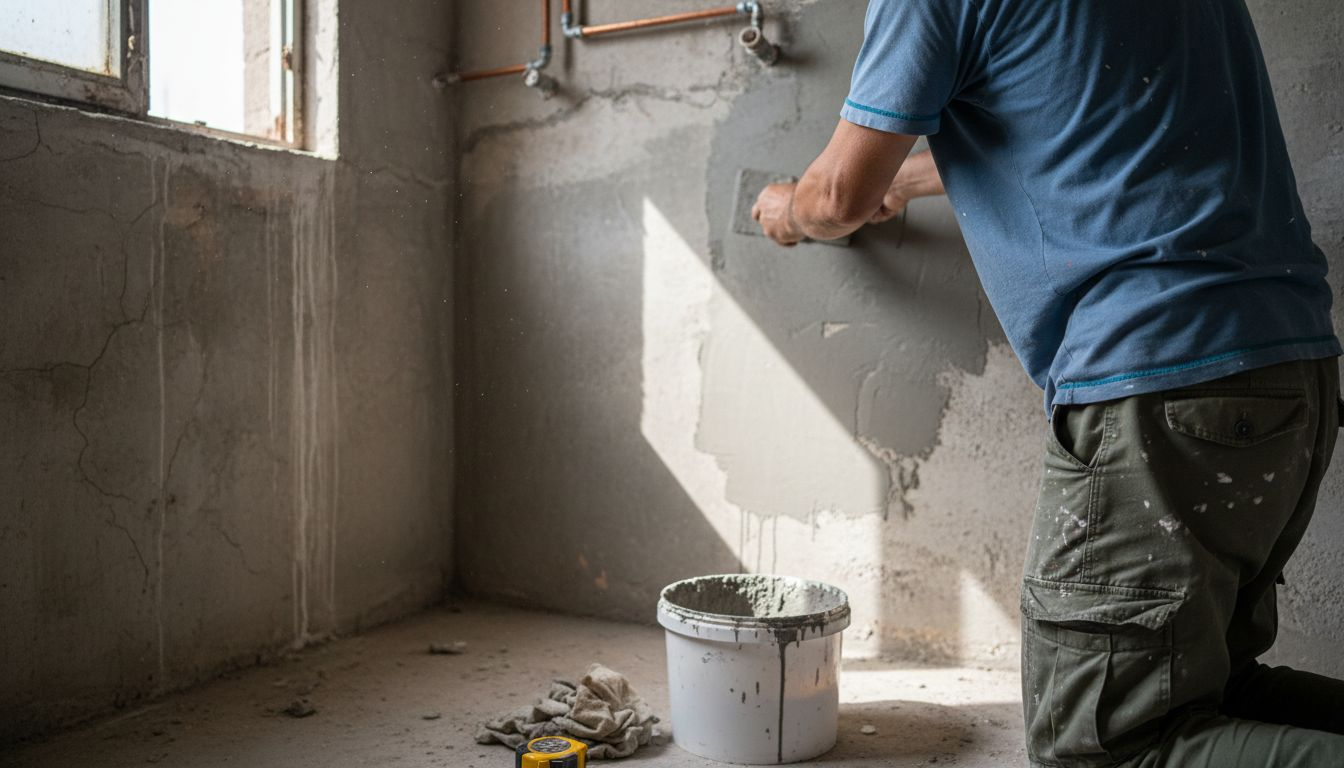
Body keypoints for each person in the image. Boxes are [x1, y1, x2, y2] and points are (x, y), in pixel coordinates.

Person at [752, 0, 1344, 766]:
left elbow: (838, 196)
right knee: (1211, 690)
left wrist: (789, 211)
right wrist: (914, 177)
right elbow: (1072, 118)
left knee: (1110, 742)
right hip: (1286, 367)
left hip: (1159, 380)